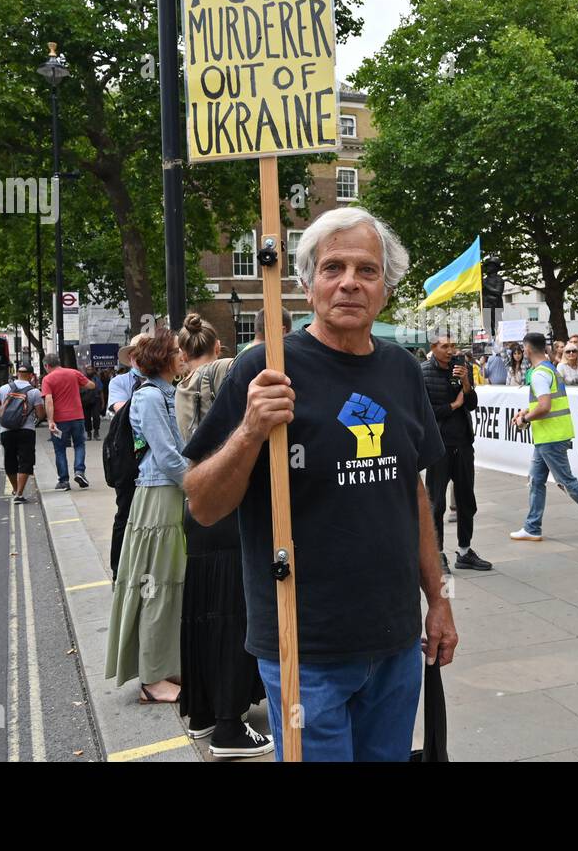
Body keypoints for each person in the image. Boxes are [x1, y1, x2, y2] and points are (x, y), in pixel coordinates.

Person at [183, 208, 457, 762]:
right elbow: (203, 504)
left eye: (367, 270)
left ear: (385, 290)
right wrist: (250, 432)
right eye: (333, 267)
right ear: (307, 286)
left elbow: (413, 495)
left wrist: (440, 599)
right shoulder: (267, 367)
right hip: (304, 646)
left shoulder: (402, 370)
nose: (350, 282)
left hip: (396, 640)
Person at [173, 312, 270, 758]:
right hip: (231, 504)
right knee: (233, 619)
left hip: (200, 510)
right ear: (217, 347)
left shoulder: (181, 387)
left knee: (202, 615)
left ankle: (203, 716)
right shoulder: (230, 371)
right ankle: (230, 727)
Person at [105, 327, 189, 706]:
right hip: (158, 497)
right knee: (157, 587)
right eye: (177, 351)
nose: (183, 355)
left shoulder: (167, 394)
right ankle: (152, 680)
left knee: (169, 586)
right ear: (164, 358)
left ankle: (164, 667)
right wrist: (201, 485)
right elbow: (168, 455)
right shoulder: (152, 397)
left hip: (167, 494)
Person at [509, 332, 578, 543]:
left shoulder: (539, 373)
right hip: (550, 435)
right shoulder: (550, 369)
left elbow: (545, 406)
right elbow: (544, 402)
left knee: (565, 481)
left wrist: (525, 419)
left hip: (551, 436)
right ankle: (532, 527)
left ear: (527, 349)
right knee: (536, 480)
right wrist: (526, 412)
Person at [422, 334, 491, 575]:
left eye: (453, 346)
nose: (450, 351)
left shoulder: (463, 369)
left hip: (463, 444)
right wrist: (452, 406)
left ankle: (464, 551)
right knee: (436, 503)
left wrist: (466, 385)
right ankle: (437, 553)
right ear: (433, 348)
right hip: (438, 446)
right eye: (444, 346)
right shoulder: (423, 373)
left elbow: (471, 404)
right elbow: (423, 411)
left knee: (466, 500)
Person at [107, 338, 144, 580]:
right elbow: (122, 410)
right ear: (131, 358)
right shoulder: (119, 382)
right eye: (138, 355)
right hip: (126, 458)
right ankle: (118, 569)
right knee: (125, 512)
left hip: (150, 460)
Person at [0, 362, 45, 504]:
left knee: (10, 460)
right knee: (26, 460)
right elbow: (41, 414)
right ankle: (19, 493)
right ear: (31, 375)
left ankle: (15, 488)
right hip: (27, 430)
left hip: (7, 430)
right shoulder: (34, 392)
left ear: (17, 373)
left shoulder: (4, 388)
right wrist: (35, 418)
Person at [41, 354, 92, 490]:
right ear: (59, 362)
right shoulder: (73, 373)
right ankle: (79, 471)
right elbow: (91, 385)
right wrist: (78, 385)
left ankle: (64, 481)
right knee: (79, 445)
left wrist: (51, 420)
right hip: (77, 416)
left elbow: (49, 400)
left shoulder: (47, 379)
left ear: (47, 366)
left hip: (60, 420)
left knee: (60, 450)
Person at [81, 366, 104, 440]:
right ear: (86, 370)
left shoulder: (97, 379)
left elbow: (101, 391)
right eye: (88, 369)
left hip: (96, 400)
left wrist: (103, 402)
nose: (89, 371)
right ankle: (88, 433)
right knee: (86, 418)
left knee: (96, 417)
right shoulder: (83, 379)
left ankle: (96, 433)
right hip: (85, 401)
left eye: (91, 369)